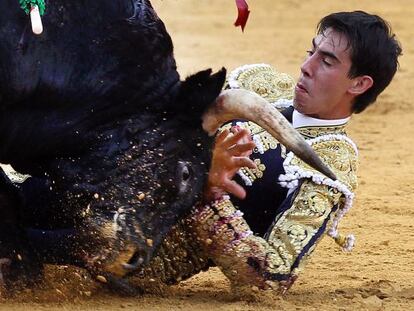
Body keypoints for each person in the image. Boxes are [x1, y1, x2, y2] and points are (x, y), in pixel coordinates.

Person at [134, 10, 402, 292]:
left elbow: (270, 279)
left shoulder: (330, 162)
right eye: (311, 52)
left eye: (326, 61)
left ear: (359, 84)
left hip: (134, 254)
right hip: (101, 173)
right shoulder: (262, 85)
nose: (306, 66)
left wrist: (210, 194)